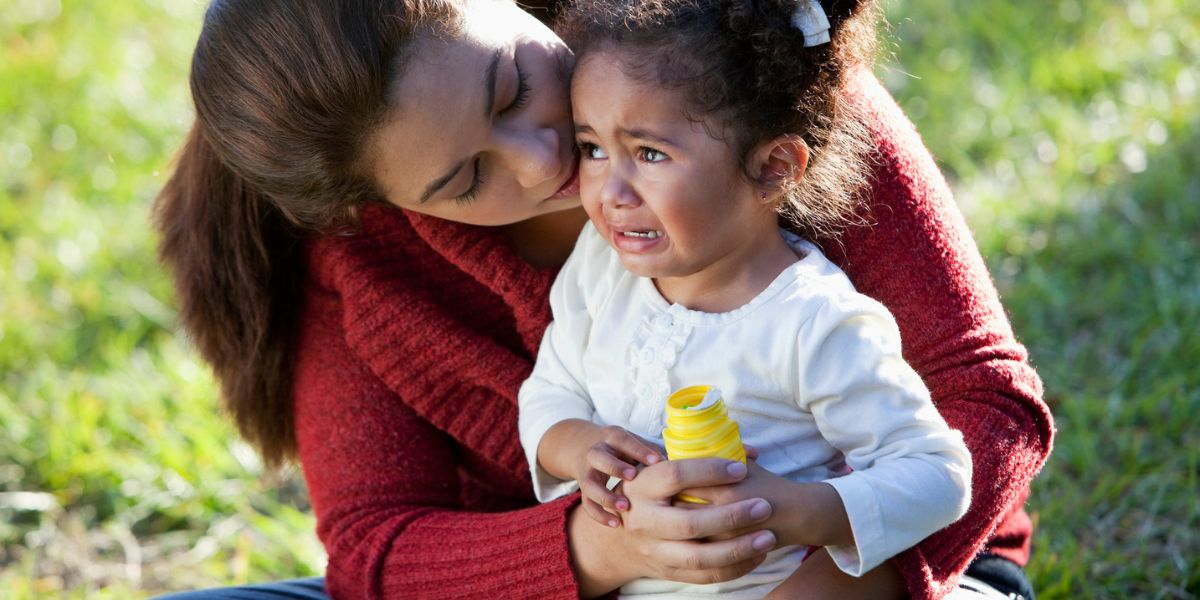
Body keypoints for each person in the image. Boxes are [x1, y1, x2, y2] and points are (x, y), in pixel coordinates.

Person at [153, 0, 1053, 598]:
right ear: (377, 202)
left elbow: (986, 399)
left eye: (511, 87)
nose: (543, 162)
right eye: (467, 178)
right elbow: (374, 548)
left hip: (895, 571)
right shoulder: (362, 260)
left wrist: (830, 577)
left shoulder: (729, 64)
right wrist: (600, 548)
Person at [517, 0, 972, 597]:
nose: (609, 190)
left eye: (650, 153)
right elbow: (548, 393)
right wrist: (578, 448)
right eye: (593, 148)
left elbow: (938, 477)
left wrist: (795, 509)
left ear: (772, 168)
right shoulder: (600, 269)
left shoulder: (813, 322)